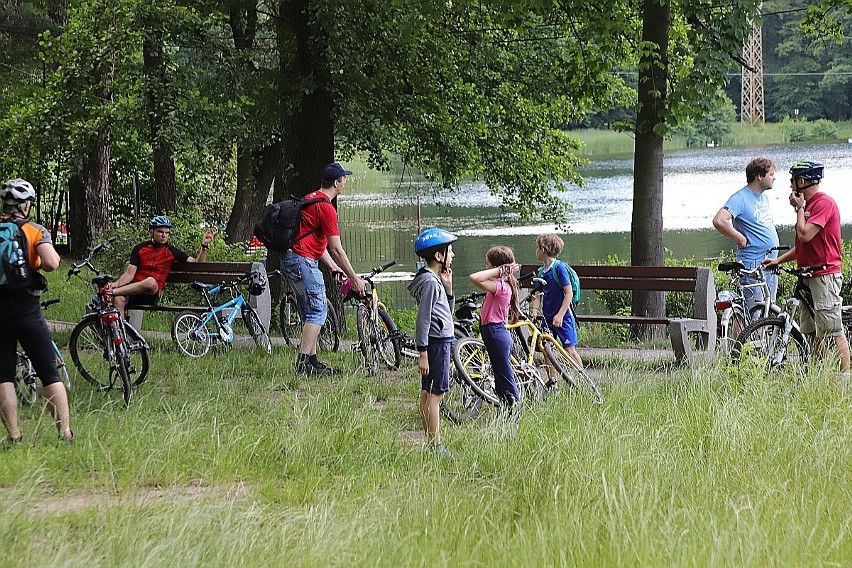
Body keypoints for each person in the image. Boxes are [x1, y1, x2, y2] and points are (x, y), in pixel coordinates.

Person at [0, 178, 73, 444]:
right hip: (27, 310)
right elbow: (53, 263)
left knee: (3, 375)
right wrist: (36, 260)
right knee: (48, 371)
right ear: (26, 205)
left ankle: (14, 435)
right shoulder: (34, 229)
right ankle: (64, 433)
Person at [763, 161, 850, 381]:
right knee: (809, 331)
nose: (790, 188)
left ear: (801, 182)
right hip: (807, 275)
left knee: (832, 330)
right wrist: (778, 260)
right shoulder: (808, 207)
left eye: (792, 182)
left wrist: (799, 209)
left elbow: (804, 235)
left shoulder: (823, 204)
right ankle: (823, 376)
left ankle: (844, 381)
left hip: (824, 275)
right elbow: (802, 245)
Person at [281, 163, 365, 375]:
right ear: (337, 183)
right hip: (303, 262)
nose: (345, 181)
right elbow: (336, 248)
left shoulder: (310, 198)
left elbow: (314, 241)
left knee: (310, 312)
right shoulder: (326, 208)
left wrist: (332, 266)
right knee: (318, 310)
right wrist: (353, 277)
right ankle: (302, 364)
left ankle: (312, 362)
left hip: (292, 259)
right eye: (344, 179)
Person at [407, 227, 457, 458]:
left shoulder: (432, 280)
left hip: (437, 340)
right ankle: (436, 445)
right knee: (435, 394)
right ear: (439, 256)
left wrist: (448, 290)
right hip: (436, 344)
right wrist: (423, 352)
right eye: (449, 251)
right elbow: (423, 319)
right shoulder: (429, 283)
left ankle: (430, 442)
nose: (453, 255)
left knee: (427, 392)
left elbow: (445, 314)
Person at [110, 215, 215, 317]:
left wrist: (204, 245)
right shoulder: (139, 248)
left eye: (167, 233)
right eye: (160, 232)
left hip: (151, 294)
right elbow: (129, 273)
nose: (164, 235)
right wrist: (116, 283)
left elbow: (197, 263)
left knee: (150, 281)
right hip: (133, 292)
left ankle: (111, 292)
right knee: (118, 299)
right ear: (152, 231)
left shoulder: (171, 251)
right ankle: (120, 333)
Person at [712, 157, 781, 308]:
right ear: (759, 176)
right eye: (771, 174)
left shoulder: (764, 198)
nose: (774, 178)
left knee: (766, 314)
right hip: (752, 267)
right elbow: (719, 220)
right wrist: (740, 238)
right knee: (751, 315)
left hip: (769, 266)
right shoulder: (740, 198)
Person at [468, 246, 523, 432]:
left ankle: (514, 420)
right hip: (494, 334)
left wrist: (501, 271)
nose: (486, 269)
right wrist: (500, 271)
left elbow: (475, 278)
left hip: (496, 334)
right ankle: (505, 419)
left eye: (488, 265)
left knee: (506, 381)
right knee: (500, 384)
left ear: (497, 268)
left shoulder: (501, 287)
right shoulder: (500, 286)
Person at [532, 234, 583, 379]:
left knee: (569, 350)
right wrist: (534, 312)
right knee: (546, 351)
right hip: (547, 318)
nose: (536, 250)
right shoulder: (541, 272)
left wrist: (560, 314)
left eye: (537, 247)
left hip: (564, 316)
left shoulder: (559, 268)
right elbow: (537, 295)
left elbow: (569, 293)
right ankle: (552, 381)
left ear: (543, 249)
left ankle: (581, 378)